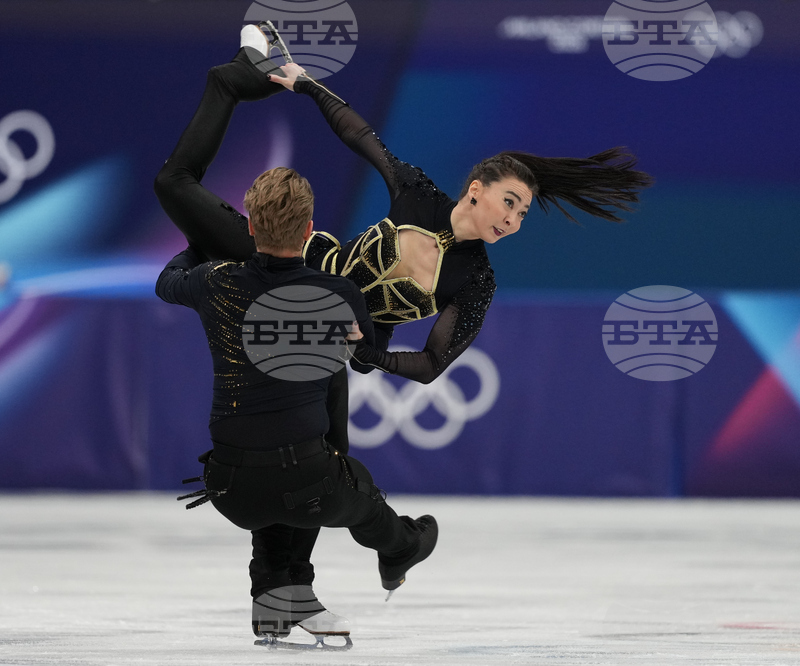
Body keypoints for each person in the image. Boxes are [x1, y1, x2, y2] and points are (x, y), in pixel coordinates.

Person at [154, 22, 654, 397]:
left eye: (522, 214)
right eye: (510, 202)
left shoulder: (476, 281)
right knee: (172, 185)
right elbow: (360, 135)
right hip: (290, 261)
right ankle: (229, 83)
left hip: (326, 332)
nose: (513, 219)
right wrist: (307, 84)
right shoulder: (418, 195)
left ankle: (201, 254)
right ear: (476, 189)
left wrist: (371, 353)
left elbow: (433, 362)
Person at [155, 163, 438, 648]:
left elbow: (167, 280)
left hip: (228, 487)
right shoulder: (339, 293)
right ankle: (400, 547)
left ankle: (274, 591)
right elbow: (365, 357)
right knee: (345, 477)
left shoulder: (216, 282)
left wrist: (197, 248)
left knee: (294, 418)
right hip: (311, 486)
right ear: (309, 231)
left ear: (248, 226)